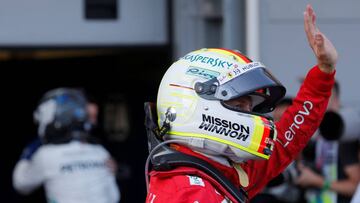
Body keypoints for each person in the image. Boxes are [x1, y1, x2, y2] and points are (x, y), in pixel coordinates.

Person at [145, 4, 337, 203]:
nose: (248, 116)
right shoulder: (188, 191)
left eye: (249, 107)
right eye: (238, 106)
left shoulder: (217, 171)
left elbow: (284, 142)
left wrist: (324, 71)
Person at [13, 88, 120, 203]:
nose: (93, 122)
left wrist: (28, 153)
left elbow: (21, 184)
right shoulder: (100, 151)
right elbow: (114, 196)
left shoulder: (46, 154)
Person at [296, 81, 360, 203]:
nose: (315, 103)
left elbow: (355, 187)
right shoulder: (314, 133)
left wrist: (316, 181)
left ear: (336, 101)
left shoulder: (346, 134)